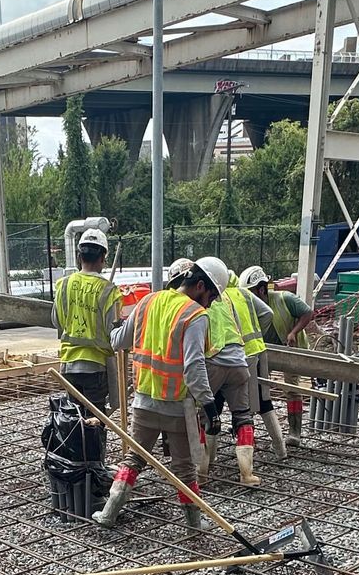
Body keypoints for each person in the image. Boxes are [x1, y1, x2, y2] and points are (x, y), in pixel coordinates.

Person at [92, 256, 225, 532]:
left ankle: (108, 513)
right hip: (178, 407)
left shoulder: (147, 302)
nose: (210, 304)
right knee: (185, 469)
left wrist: (116, 327)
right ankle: (194, 526)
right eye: (211, 297)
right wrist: (210, 407)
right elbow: (194, 366)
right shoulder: (195, 315)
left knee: (134, 459)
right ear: (200, 285)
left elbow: (118, 341)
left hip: (144, 403)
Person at [202, 272, 271, 484]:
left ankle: (202, 471)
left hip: (213, 362)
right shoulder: (230, 300)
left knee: (203, 414)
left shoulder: (200, 303)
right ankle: (247, 474)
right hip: (239, 362)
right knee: (243, 416)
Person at [51, 227, 121, 413]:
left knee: (73, 422)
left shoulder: (64, 284)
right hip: (96, 367)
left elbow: (57, 322)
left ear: (79, 256)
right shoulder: (108, 290)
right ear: (102, 258)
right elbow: (112, 332)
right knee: (94, 423)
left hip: (69, 365)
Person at [241, 266, 310, 454]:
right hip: (266, 353)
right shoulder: (250, 307)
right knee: (257, 391)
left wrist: (293, 332)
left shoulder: (284, 299)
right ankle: (251, 434)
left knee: (292, 389)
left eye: (252, 293)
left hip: (290, 351)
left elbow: (307, 312)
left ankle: (295, 432)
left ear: (262, 289)